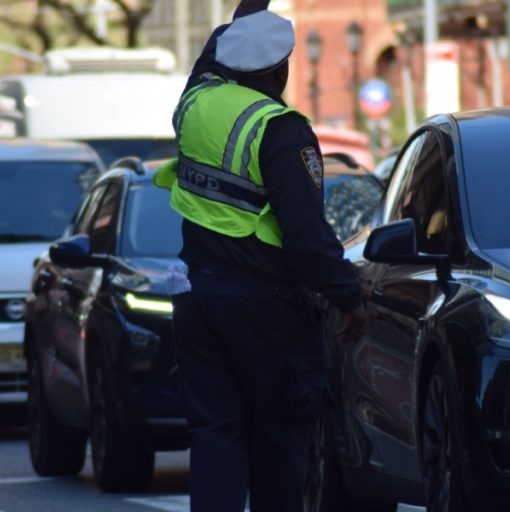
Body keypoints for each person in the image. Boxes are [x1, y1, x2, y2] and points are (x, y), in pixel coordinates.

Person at [152, 1, 367, 511]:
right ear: (281, 69)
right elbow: (306, 237)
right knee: (280, 440)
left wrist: (250, 8)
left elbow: (213, 50)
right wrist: (349, 297)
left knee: (216, 433)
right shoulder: (281, 129)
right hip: (267, 309)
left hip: (199, 297)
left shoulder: (195, 103)